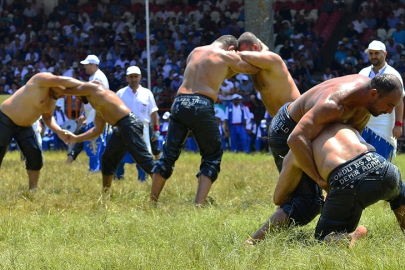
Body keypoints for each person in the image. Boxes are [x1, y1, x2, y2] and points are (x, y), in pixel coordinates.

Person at [266, 74, 403, 228]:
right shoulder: (332, 105)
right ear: (373, 94)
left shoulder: (367, 99)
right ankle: (257, 240)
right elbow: (295, 138)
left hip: (309, 129)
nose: (390, 111)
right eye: (390, 105)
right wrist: (320, 181)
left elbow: (353, 133)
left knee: (316, 197)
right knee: (307, 201)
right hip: (287, 129)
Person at [246, 123, 405, 246]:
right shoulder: (341, 125)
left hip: (348, 181)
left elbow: (278, 198)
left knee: (323, 239)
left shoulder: (296, 150)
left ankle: (350, 235)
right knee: (400, 194)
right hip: (383, 167)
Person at [150, 35, 260, 205]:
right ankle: (198, 204)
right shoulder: (227, 55)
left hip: (179, 102)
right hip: (201, 103)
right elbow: (254, 68)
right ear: (231, 49)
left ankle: (152, 201)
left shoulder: (195, 52)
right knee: (212, 156)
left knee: (168, 155)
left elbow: (214, 73)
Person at [63, 81, 156, 191]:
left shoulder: (95, 90)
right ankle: (105, 193)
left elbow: (69, 89)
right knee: (107, 157)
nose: (77, 98)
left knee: (144, 159)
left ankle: (158, 190)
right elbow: (97, 130)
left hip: (130, 124)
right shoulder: (98, 105)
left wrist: (52, 88)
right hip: (121, 127)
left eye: (77, 95)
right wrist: (76, 138)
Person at [0, 73, 82, 190]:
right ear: (55, 84)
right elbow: (59, 79)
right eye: (63, 90)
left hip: (25, 126)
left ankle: (33, 190)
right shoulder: (40, 80)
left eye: (65, 94)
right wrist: (86, 85)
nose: (62, 95)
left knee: (35, 154)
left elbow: (48, 118)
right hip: (5, 120)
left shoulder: (53, 99)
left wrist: (59, 131)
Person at [359, 40, 405, 161]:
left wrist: (398, 124)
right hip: (364, 123)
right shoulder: (363, 72)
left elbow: (400, 101)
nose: (373, 56)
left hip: (384, 125)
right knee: (362, 162)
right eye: (371, 53)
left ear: (385, 54)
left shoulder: (393, 74)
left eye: (377, 53)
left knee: (381, 164)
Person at [237, 32, 300, 118]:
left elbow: (243, 55)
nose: (245, 59)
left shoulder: (273, 59)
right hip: (277, 120)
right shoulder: (254, 67)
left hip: (295, 116)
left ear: (255, 47)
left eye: (247, 53)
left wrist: (234, 53)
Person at [115, 66, 160, 182]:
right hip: (124, 128)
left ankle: (142, 179)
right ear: (127, 78)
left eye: (136, 76)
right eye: (131, 77)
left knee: (144, 155)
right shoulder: (120, 93)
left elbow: (154, 113)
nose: (133, 79)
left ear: (140, 77)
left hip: (143, 129)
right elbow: (114, 112)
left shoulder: (147, 93)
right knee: (120, 153)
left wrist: (156, 130)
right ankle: (119, 178)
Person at [66, 54, 110, 172]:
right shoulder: (95, 77)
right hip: (93, 114)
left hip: (96, 115)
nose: (84, 67)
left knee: (93, 145)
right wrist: (84, 114)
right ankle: (99, 170)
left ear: (93, 65)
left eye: (86, 65)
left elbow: (97, 100)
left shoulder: (98, 79)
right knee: (97, 145)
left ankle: (94, 170)